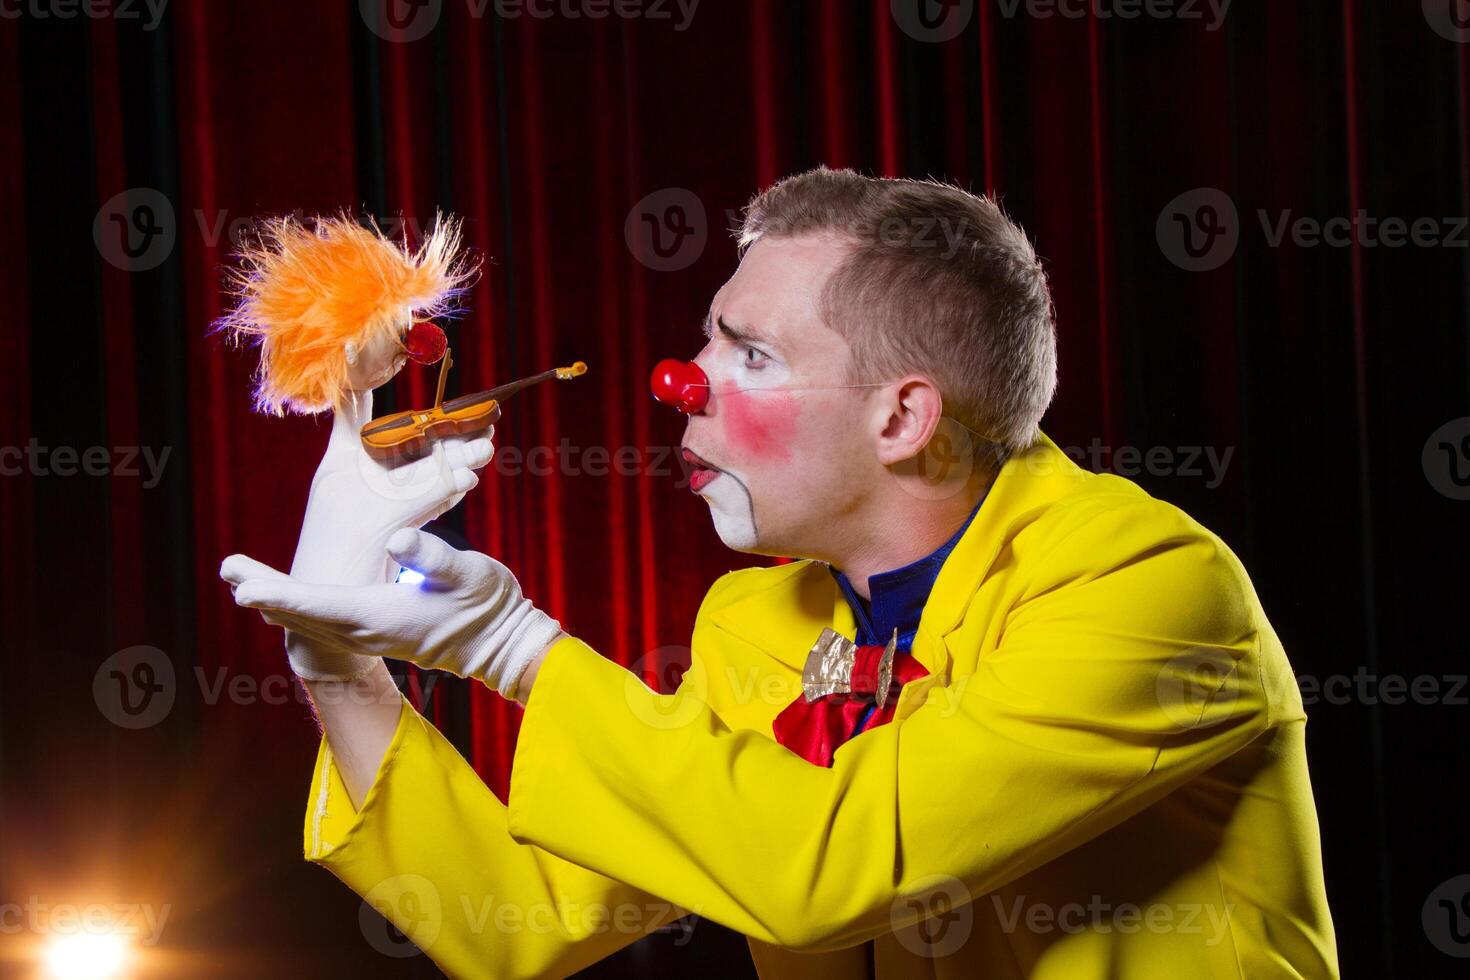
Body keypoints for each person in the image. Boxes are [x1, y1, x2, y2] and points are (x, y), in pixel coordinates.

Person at [221, 167, 1339, 978]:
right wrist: (337, 664)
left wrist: (517, 651)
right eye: (708, 337)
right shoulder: (759, 622)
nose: (681, 382)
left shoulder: (1148, 587)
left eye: (749, 353)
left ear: (904, 415)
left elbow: (826, 867)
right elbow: (521, 921)